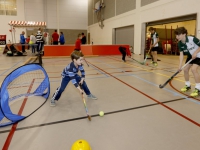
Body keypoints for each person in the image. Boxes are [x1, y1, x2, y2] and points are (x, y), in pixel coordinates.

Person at [174, 27, 200, 97]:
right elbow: (181, 55)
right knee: (185, 69)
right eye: (176, 35)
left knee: (194, 69)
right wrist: (179, 66)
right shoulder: (180, 43)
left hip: (198, 55)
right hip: (190, 56)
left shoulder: (192, 39)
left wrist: (195, 52)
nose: (177, 37)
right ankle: (187, 85)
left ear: (184, 34)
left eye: (178, 35)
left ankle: (198, 88)